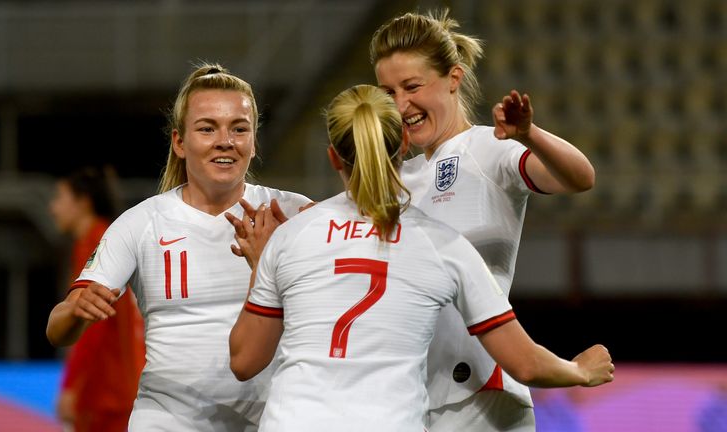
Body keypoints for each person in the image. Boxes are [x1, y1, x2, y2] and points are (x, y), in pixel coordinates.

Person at [227, 84, 613, 432]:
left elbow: (245, 362)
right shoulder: (443, 245)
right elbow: (525, 364)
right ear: (405, 142)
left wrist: (263, 268)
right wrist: (579, 371)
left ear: (333, 157)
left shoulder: (292, 235)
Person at [45, 63, 311, 431]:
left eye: (239, 128)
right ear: (180, 143)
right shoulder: (141, 223)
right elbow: (57, 328)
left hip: (271, 417)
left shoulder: (296, 214)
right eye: (207, 128)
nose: (225, 141)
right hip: (167, 420)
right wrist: (77, 312)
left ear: (254, 141)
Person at [369, 9, 598, 431]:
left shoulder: (487, 149)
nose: (401, 105)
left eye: (412, 86)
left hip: (482, 397)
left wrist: (529, 135)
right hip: (413, 398)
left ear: (453, 78)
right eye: (388, 91)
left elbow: (579, 177)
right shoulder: (397, 176)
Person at [49, 167, 145, 432]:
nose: (53, 208)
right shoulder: (106, 237)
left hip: (107, 389)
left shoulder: (97, 242)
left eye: (59, 197)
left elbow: (92, 321)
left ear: (83, 202)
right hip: (123, 383)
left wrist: (72, 385)